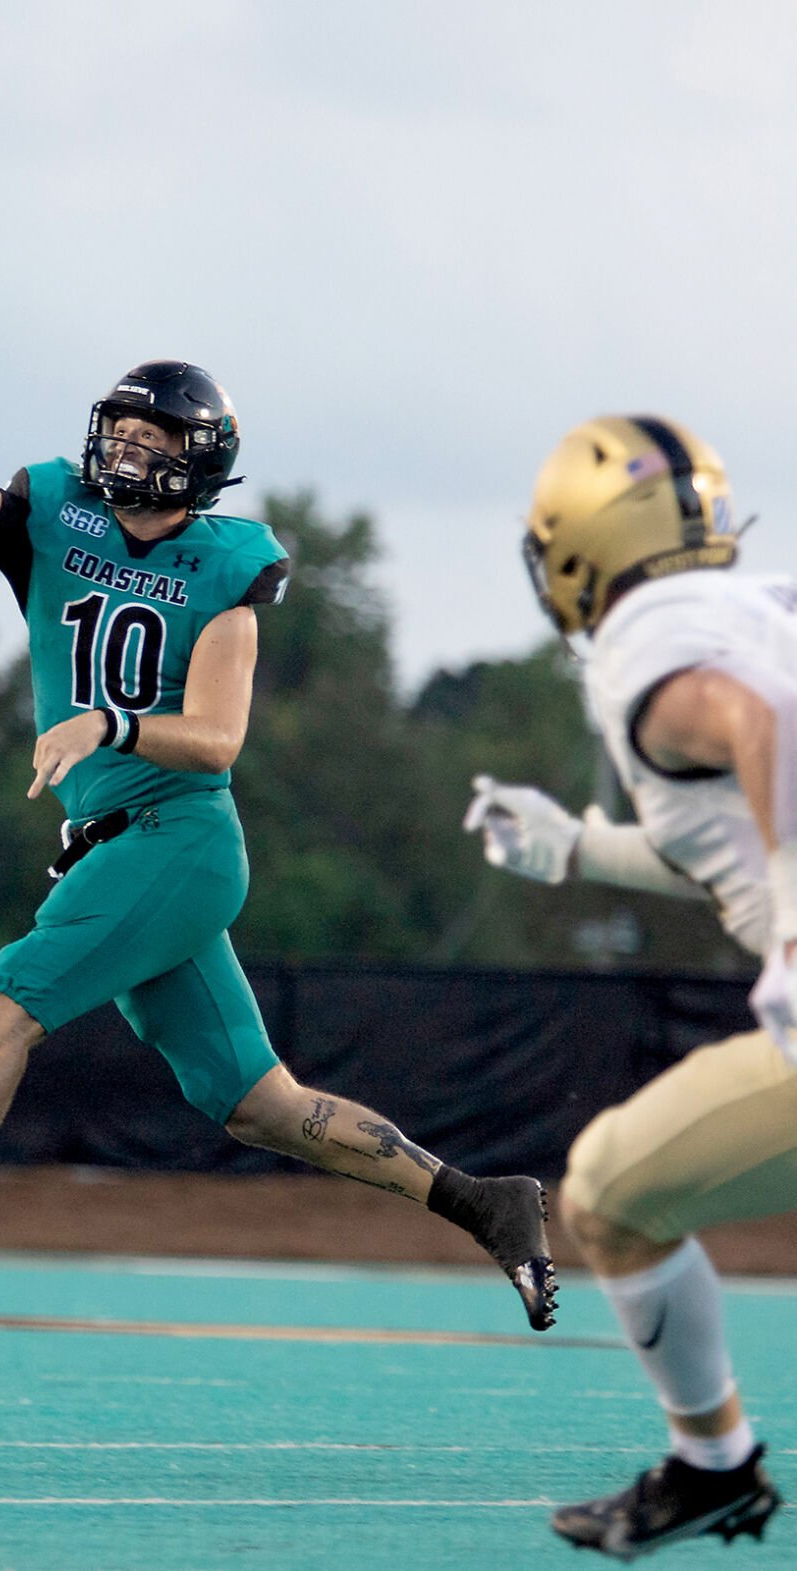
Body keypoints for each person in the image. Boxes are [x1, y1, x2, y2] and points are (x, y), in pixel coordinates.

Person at [0, 338, 556, 1333]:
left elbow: (214, 740)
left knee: (3, 1007)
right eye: (116, 428)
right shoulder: (56, 519)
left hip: (177, 838)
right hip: (121, 844)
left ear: (200, 454)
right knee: (258, 1103)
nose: (124, 447)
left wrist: (106, 723)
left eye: (149, 432)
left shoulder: (225, 569)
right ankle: (485, 1200)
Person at [464, 412, 791, 1557]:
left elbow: (769, 724)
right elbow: (725, 834)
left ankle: (713, 1461)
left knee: (606, 1189)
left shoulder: (644, 639)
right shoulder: (755, 606)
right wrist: (578, 849)